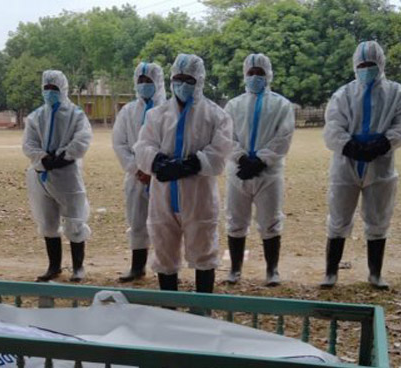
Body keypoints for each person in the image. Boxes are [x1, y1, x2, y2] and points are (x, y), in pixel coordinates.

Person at [321, 40, 401, 289]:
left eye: (371, 64)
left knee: (378, 218)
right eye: (362, 65)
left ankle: (375, 273)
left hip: (380, 163)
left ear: (381, 63)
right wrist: (350, 146)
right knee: (338, 217)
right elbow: (333, 126)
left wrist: (383, 143)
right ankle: (330, 272)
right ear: (355, 65)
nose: (366, 69)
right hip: (345, 164)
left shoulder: (398, 94)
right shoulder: (343, 95)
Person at [133, 53, 233, 294]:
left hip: (199, 196)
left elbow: (220, 152)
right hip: (163, 195)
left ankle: (202, 309)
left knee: (203, 250)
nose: (182, 84)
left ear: (199, 80)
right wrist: (157, 162)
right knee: (164, 248)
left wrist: (190, 164)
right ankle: (169, 307)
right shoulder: (156, 115)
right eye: (178, 79)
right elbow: (143, 146)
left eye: (189, 79)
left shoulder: (216, 115)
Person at [223, 53, 295, 287]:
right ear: (244, 75)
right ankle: (235, 268)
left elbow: (283, 136)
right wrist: (242, 158)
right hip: (238, 173)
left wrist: (261, 160)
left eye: (260, 73)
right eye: (251, 72)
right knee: (235, 220)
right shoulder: (233, 105)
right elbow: (226, 136)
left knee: (270, 221)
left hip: (269, 174)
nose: (255, 77)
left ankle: (272, 269)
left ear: (268, 75)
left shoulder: (281, 105)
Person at [22, 69, 93, 283]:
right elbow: (29, 144)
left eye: (54, 88)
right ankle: (54, 266)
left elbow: (82, 139)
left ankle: (78, 267)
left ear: (63, 89)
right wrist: (44, 159)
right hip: (41, 176)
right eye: (46, 88)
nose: (50, 92)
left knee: (74, 220)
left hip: (67, 176)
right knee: (47, 222)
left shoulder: (76, 114)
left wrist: (64, 156)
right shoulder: (36, 117)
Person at [112, 62, 167, 282]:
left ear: (158, 82)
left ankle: (165, 267)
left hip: (162, 177)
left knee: (164, 223)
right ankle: (137, 267)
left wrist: (154, 170)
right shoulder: (128, 111)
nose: (144, 85)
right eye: (140, 80)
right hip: (136, 177)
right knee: (136, 220)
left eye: (149, 81)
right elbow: (119, 143)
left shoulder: (169, 109)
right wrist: (137, 169)